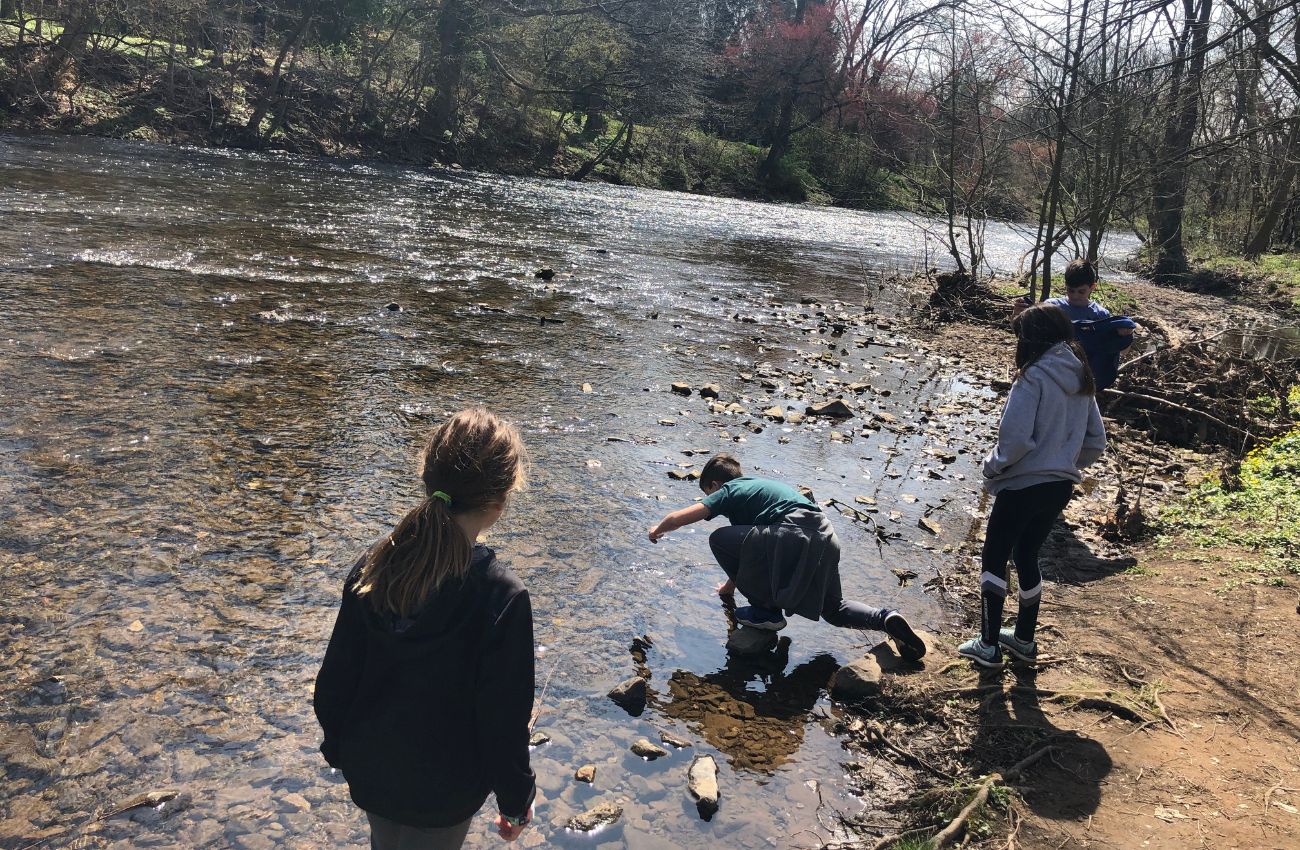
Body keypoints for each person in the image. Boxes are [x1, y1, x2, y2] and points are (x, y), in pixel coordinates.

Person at [314, 408, 536, 849]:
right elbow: (503, 725)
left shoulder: (374, 565)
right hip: (444, 792)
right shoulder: (502, 597)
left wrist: (340, 750)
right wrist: (516, 801)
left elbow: (335, 678)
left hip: (371, 769)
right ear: (500, 502)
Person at [647, 454, 927, 662]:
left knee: (718, 538)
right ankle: (886, 619)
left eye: (709, 492)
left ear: (717, 484)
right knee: (833, 609)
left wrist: (657, 529)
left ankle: (766, 612)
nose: (711, 497)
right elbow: (752, 552)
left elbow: (680, 518)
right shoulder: (762, 487)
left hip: (790, 534)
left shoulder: (729, 491)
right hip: (825, 536)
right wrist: (729, 587)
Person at [958, 305, 1107, 669]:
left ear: (1032, 338)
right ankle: (1023, 639)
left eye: (1020, 337)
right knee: (1027, 555)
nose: (1017, 344)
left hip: (1023, 485)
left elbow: (1015, 440)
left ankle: (989, 645)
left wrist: (991, 468)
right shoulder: (1083, 378)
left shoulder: (1032, 377)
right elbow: (1095, 443)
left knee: (994, 557)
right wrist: (1064, 464)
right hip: (1059, 486)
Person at [1015, 259, 1136, 390]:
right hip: (1051, 371)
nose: (1075, 295)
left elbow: (1120, 351)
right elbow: (1026, 336)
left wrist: (1125, 337)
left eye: (1081, 291)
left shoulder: (1100, 315)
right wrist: (1018, 315)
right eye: (1071, 290)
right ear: (1065, 285)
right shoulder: (1052, 306)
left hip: (1084, 375)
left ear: (1092, 287)